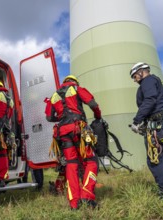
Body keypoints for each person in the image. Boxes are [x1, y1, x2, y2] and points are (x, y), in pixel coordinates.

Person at [45, 75, 102, 210]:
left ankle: (74, 203)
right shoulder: (76, 88)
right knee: (91, 160)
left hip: (63, 133)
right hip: (78, 129)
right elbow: (93, 104)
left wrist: (61, 117)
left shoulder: (54, 95)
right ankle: (87, 196)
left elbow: (48, 117)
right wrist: (98, 117)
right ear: (74, 81)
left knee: (71, 164)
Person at [129, 62, 163, 197]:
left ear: (141, 72)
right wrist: (144, 124)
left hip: (158, 126)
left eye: (135, 76)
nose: (135, 80)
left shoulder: (147, 81)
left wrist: (137, 121)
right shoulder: (154, 81)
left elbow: (150, 101)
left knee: (154, 160)